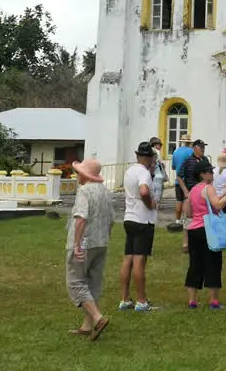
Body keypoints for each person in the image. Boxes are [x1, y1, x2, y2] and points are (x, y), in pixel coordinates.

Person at [67, 158, 112, 340]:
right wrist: (106, 237)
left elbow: (81, 218)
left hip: (85, 243)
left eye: (79, 172)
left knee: (76, 281)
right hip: (100, 242)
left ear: (85, 175)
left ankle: (97, 318)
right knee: (92, 282)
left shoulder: (84, 191)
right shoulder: (105, 191)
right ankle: (87, 326)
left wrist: (77, 244)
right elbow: (111, 220)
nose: (77, 175)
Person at [185, 158, 226, 309]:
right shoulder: (208, 188)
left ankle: (192, 300)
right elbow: (217, 205)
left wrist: (223, 194)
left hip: (194, 229)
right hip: (208, 229)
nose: (212, 173)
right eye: (210, 171)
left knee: (195, 264)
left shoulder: (193, 190)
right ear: (202, 174)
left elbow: (189, 213)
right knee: (213, 263)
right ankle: (213, 300)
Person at [119, 142, 158, 312]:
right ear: (149, 158)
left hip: (129, 217)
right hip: (143, 219)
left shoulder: (129, 171)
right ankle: (141, 301)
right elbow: (143, 191)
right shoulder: (144, 172)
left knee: (128, 258)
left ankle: (125, 298)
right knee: (139, 261)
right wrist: (150, 204)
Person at [176, 140, 207, 250]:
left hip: (204, 193)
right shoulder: (188, 161)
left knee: (204, 217)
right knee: (188, 218)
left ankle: (203, 242)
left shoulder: (206, 160)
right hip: (191, 192)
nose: (203, 149)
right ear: (194, 148)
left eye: (204, 147)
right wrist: (185, 191)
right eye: (201, 147)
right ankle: (186, 243)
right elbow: (179, 176)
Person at [168, 137, 194, 231]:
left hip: (178, 180)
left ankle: (177, 220)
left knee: (179, 200)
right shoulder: (190, 151)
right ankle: (185, 219)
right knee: (186, 200)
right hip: (187, 180)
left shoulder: (176, 152)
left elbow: (173, 167)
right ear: (189, 143)